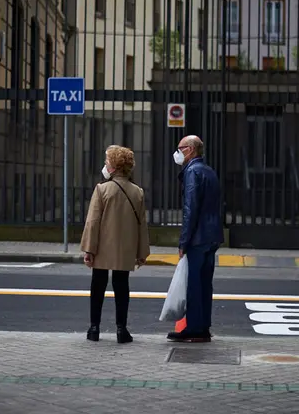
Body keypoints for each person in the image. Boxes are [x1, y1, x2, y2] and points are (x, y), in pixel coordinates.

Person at [81, 145, 150, 344]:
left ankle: (94, 328)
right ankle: (122, 329)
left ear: (113, 166)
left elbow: (93, 222)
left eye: (106, 161)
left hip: (102, 246)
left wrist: (89, 249)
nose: (105, 164)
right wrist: (142, 252)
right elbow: (141, 225)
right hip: (126, 247)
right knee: (122, 286)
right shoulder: (137, 192)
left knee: (98, 286)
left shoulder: (102, 189)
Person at [167, 135, 224, 342]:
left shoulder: (192, 172)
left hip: (198, 238)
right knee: (205, 283)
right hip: (212, 236)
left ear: (190, 150)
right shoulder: (209, 171)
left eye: (180, 148)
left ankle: (194, 329)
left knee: (193, 284)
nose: (177, 153)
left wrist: (183, 242)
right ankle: (203, 326)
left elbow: (190, 210)